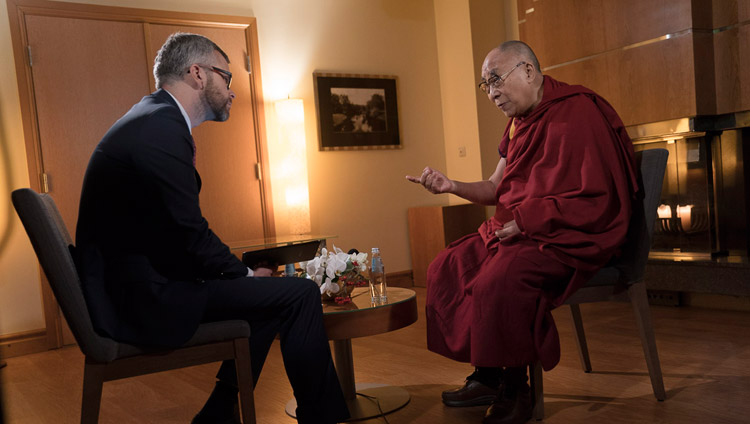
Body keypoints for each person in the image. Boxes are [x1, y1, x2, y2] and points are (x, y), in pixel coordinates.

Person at [73, 32, 349, 424]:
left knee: (269, 294)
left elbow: (172, 232)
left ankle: (218, 413)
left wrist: (245, 276)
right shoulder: (160, 129)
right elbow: (189, 230)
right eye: (227, 77)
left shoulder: (152, 117)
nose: (232, 91)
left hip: (137, 285)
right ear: (197, 73)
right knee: (299, 293)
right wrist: (244, 273)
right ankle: (322, 419)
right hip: (141, 301)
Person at [406, 40, 637, 424]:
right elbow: (496, 188)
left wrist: (529, 221)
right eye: (485, 85)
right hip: (518, 229)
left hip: (567, 233)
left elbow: (598, 197)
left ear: (528, 70)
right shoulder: (517, 123)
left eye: (495, 79)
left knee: (501, 279)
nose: (492, 92)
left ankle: (517, 390)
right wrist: (452, 186)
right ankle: (488, 374)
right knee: (449, 264)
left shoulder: (578, 111)